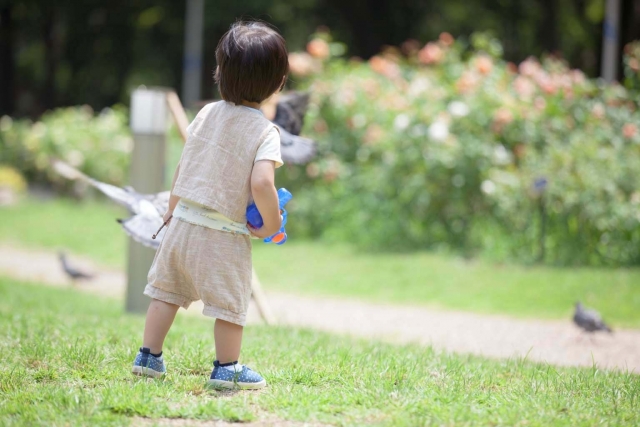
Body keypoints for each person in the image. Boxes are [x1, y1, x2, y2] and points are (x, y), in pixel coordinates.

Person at [131, 20, 289, 390]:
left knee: (165, 293)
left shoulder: (205, 114)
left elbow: (185, 166)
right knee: (231, 305)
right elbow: (263, 182)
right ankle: (227, 367)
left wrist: (171, 210)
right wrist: (272, 222)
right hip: (224, 235)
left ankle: (148, 356)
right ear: (278, 83)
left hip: (183, 223)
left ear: (220, 73)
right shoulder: (266, 131)